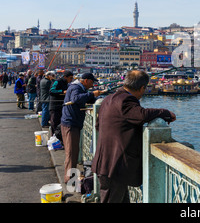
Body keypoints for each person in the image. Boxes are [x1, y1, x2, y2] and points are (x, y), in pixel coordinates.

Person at [92, 70, 176, 203]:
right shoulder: (126, 100)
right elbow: (141, 115)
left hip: (106, 163)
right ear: (142, 87)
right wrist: (165, 113)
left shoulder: (108, 99)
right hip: (115, 167)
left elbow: (98, 126)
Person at [61, 73, 103, 184]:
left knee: (74, 152)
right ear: (86, 80)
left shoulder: (80, 88)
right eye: (91, 82)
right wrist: (92, 94)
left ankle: (71, 177)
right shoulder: (75, 87)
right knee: (71, 153)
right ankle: (69, 180)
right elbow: (76, 99)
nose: (92, 84)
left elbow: (85, 99)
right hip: (70, 124)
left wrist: (96, 98)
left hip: (73, 123)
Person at [49, 70, 74, 137]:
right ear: (65, 77)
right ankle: (54, 138)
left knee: (60, 124)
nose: (71, 79)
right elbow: (51, 91)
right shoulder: (57, 81)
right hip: (55, 106)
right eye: (70, 78)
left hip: (62, 106)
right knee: (54, 123)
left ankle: (59, 139)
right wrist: (62, 91)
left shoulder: (67, 84)